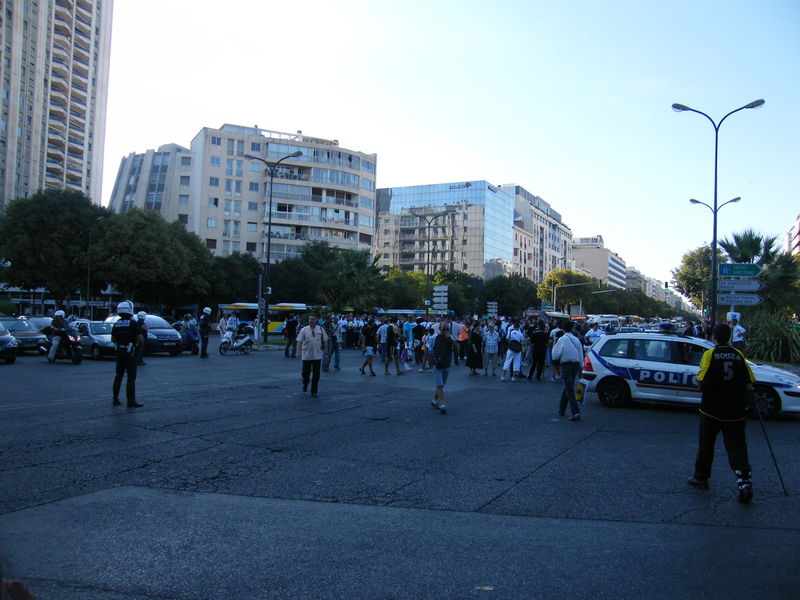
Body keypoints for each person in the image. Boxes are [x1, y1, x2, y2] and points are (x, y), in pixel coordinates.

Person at [688, 323, 755, 503]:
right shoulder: (738, 354)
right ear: (729, 337)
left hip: (711, 410)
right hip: (736, 411)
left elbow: (701, 381)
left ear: (714, 337)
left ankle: (701, 477)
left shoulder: (710, 354)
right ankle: (744, 482)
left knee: (706, 444)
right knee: (737, 446)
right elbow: (749, 384)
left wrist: (701, 384)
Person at [111, 300, 143, 408]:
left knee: (118, 376)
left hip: (119, 351)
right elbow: (140, 339)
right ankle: (131, 401)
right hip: (130, 351)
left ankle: (115, 399)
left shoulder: (117, 323)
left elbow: (113, 339)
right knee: (131, 377)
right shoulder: (133, 323)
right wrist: (138, 347)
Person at [551, 321, 584, 421]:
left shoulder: (562, 339)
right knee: (568, 386)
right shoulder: (576, 339)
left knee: (569, 389)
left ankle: (575, 412)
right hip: (576, 365)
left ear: (563, 329)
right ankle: (562, 409)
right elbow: (581, 354)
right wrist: (581, 368)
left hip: (566, 365)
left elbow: (555, 355)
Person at [296, 314, 328, 398]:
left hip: (317, 355)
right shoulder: (304, 329)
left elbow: (325, 341)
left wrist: (326, 352)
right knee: (305, 373)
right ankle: (305, 383)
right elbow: (299, 342)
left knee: (316, 374)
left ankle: (314, 391)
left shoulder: (320, 329)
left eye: (313, 319)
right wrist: (298, 352)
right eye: (310, 319)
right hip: (306, 355)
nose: (311, 320)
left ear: (316, 320)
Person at [430, 321, 458, 414]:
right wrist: (430, 361)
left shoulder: (451, 338)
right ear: (439, 329)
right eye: (443, 329)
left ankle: (434, 400)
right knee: (440, 385)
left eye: (447, 329)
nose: (445, 331)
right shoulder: (434, 337)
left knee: (441, 385)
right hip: (437, 364)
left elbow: (457, 349)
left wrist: (451, 340)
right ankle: (442, 405)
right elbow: (428, 348)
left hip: (446, 364)